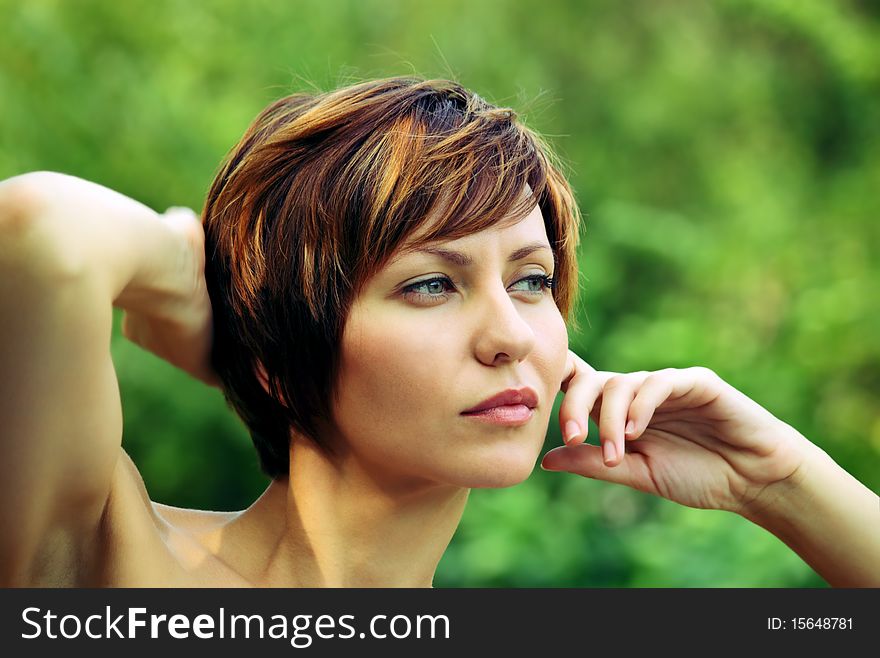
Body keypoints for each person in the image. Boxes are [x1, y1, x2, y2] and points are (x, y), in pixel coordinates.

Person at [0, 77, 876, 588]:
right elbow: (43, 231)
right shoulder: (107, 563)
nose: (509, 335)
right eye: (430, 285)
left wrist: (779, 482)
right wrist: (207, 306)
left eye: (531, 280)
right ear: (280, 346)